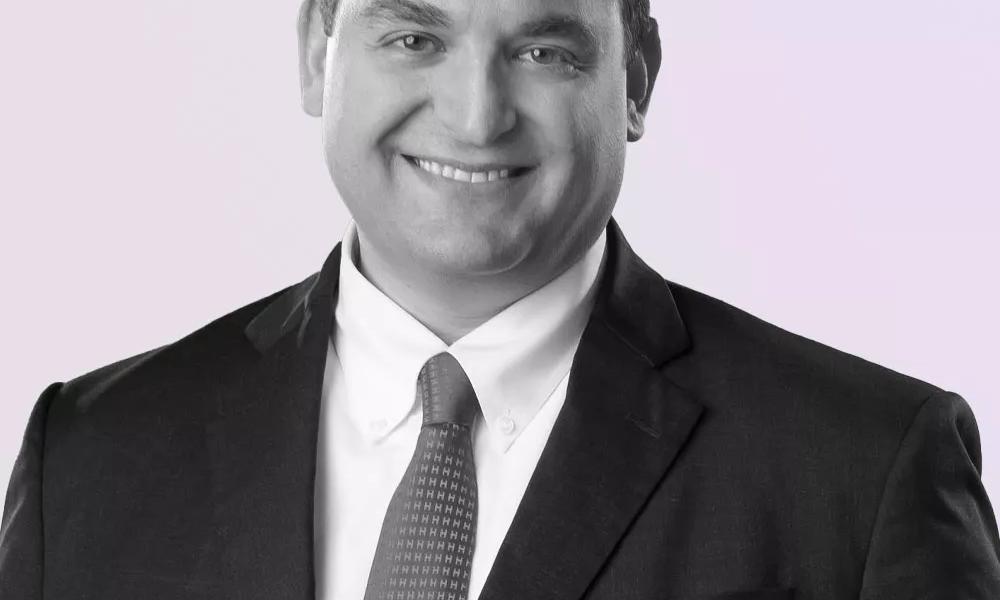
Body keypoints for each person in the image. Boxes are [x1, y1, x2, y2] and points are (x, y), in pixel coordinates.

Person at [2, 0, 999, 597]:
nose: (475, 117)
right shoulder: (91, 458)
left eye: (543, 51)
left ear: (636, 79)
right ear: (316, 51)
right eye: (413, 37)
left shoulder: (863, 472)